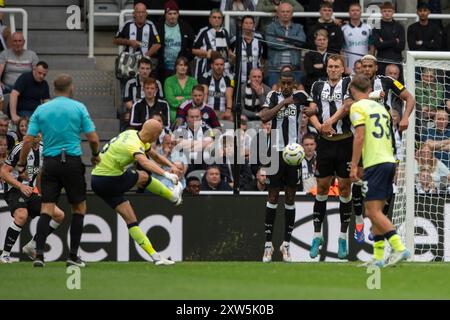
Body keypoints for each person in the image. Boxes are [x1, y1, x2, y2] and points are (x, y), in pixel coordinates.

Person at [17, 74, 100, 268]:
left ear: (54, 89)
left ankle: (38, 255)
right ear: (71, 88)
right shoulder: (78, 107)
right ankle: (72, 256)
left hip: (51, 163)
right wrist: (95, 154)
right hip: (71, 162)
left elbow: (28, 140)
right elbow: (94, 139)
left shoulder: (41, 109)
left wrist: (22, 163)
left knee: (47, 209)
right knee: (78, 209)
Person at [91, 119, 182, 266]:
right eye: (158, 134)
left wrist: (172, 166)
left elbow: (155, 157)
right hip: (108, 179)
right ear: (154, 134)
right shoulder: (132, 144)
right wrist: (167, 175)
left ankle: (155, 257)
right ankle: (172, 196)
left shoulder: (132, 134)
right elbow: (145, 162)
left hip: (97, 181)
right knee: (143, 176)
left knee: (131, 219)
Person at [349, 74, 410, 267]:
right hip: (389, 160)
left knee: (373, 212)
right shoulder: (382, 108)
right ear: (369, 90)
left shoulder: (357, 107)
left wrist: (353, 164)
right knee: (376, 211)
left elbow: (359, 136)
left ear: (352, 90)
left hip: (375, 162)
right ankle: (378, 257)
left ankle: (399, 247)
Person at [259, 70, 311, 263]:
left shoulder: (300, 96)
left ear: (294, 83)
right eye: (284, 83)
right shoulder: (273, 96)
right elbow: (264, 117)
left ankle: (286, 245)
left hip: (294, 154)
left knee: (290, 197)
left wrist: (311, 111)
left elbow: (314, 107)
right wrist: (282, 104)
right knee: (272, 196)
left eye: (290, 83)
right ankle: (267, 245)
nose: (287, 86)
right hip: (275, 152)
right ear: (280, 82)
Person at [306, 54, 353, 260]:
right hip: (325, 143)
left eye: (337, 66)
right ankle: (317, 236)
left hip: (345, 141)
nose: (333, 69)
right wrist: (320, 127)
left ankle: (342, 237)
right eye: (330, 66)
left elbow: (348, 106)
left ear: (343, 69)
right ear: (326, 69)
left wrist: (330, 122)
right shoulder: (317, 85)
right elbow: (311, 109)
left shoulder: (349, 83)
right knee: (322, 187)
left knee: (344, 188)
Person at [0, 136, 65, 263]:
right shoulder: (20, 148)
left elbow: (39, 173)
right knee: (21, 215)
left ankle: (32, 245)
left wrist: (41, 193)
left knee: (59, 215)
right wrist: (21, 185)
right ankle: (5, 255)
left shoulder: (44, 149)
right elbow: (3, 172)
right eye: (34, 131)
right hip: (14, 189)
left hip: (32, 191)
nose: (36, 135)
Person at [265, 2, 306, 87]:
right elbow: (271, 43)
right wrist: (291, 44)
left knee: (298, 95)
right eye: (282, 11)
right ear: (277, 13)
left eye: (288, 12)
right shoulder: (271, 27)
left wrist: (283, 39)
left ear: (292, 14)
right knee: (273, 95)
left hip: (294, 69)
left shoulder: (299, 27)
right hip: (275, 69)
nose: (285, 14)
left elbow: (301, 41)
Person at [156, 1, 195, 81]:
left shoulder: (185, 27)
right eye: (170, 14)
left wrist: (186, 60)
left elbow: (193, 46)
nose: (172, 16)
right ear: (165, 14)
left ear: (178, 14)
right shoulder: (158, 27)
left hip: (181, 69)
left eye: (174, 13)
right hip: (163, 69)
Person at [123, 58, 164, 129]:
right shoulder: (130, 83)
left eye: (147, 69)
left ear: (151, 70)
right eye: (142, 68)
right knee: (127, 118)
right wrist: (140, 111)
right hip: (135, 112)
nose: (145, 71)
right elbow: (128, 103)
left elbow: (160, 102)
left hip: (154, 113)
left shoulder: (157, 83)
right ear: (138, 69)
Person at [192, 9, 233, 80]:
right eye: (214, 17)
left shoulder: (225, 32)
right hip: (205, 69)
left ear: (222, 20)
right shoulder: (204, 31)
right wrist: (209, 53)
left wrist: (232, 56)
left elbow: (228, 49)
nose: (217, 19)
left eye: (219, 18)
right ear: (209, 19)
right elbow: (193, 50)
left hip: (222, 70)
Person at [371, 2, 405, 80]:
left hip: (396, 61)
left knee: (398, 87)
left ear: (393, 12)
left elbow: (401, 47)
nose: (387, 13)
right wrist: (394, 41)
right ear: (381, 12)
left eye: (389, 11)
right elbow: (378, 45)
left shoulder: (399, 27)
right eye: (385, 11)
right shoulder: (376, 26)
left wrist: (384, 42)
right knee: (381, 86)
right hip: (382, 61)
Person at [230, 15, 265, 84]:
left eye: (250, 23)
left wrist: (262, 68)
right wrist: (232, 58)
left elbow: (264, 57)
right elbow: (229, 54)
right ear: (242, 25)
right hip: (238, 78)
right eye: (246, 23)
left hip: (255, 79)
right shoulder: (235, 39)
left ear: (254, 25)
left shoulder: (260, 39)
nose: (248, 25)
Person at [341, 3, 374, 75]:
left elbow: (372, 47)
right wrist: (345, 67)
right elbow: (341, 50)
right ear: (349, 13)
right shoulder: (343, 29)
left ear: (361, 12)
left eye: (357, 10)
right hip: (349, 67)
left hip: (365, 67)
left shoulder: (368, 28)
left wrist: (370, 63)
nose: (355, 12)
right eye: (352, 10)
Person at [199, 53, 234, 120]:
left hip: (223, 111)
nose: (219, 67)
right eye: (217, 64)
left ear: (224, 66)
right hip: (209, 110)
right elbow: (204, 95)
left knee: (230, 118)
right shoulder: (205, 76)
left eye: (221, 65)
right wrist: (204, 110)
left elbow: (229, 96)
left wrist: (228, 110)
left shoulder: (229, 78)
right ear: (212, 65)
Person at [164, 56, 198, 123]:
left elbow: (196, 98)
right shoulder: (169, 81)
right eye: (181, 65)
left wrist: (181, 98)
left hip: (190, 111)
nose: (183, 67)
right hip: (174, 111)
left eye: (185, 65)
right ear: (176, 66)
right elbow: (171, 100)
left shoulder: (193, 81)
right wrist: (188, 98)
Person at [303, 29, 329, 93]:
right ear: (315, 41)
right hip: (312, 85)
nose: (322, 42)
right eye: (319, 40)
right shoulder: (309, 54)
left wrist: (322, 66)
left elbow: (335, 70)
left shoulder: (333, 54)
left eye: (324, 39)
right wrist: (326, 67)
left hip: (329, 85)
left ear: (327, 41)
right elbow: (310, 71)